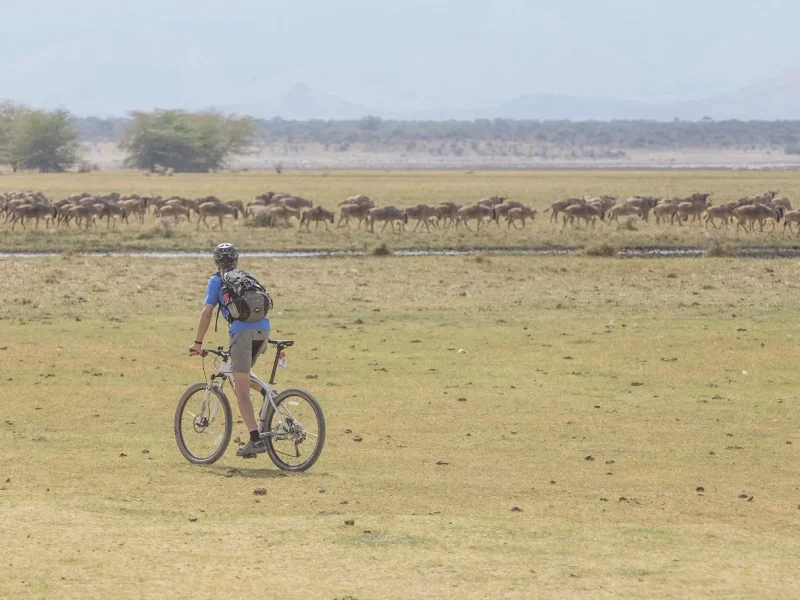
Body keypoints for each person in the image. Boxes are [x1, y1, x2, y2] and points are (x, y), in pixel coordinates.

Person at [189, 243, 271, 458]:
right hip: (264, 329)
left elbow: (207, 313)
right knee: (240, 374)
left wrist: (198, 343)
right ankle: (271, 396)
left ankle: (255, 440)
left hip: (241, 332)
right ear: (236, 260)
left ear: (216, 261)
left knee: (241, 389)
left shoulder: (217, 280)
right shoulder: (247, 276)